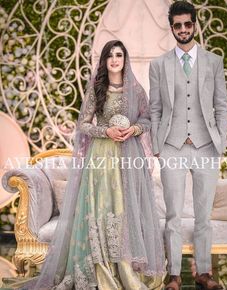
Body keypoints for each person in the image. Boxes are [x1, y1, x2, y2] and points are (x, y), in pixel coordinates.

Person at [20, 40, 165, 290]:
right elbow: (83, 125)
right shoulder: (96, 89)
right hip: (101, 157)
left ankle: (124, 270)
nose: (115, 60)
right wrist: (106, 130)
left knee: (124, 210)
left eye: (119, 55)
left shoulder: (135, 90)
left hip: (128, 156)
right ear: (104, 60)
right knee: (103, 208)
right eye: (110, 55)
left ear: (124, 59)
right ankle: (101, 269)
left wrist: (133, 128)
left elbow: (147, 118)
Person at [149, 2, 227, 290]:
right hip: (172, 146)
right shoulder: (159, 65)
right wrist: (158, 145)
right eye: (177, 25)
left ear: (195, 25)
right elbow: (155, 109)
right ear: (172, 28)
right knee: (173, 215)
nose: (183, 29)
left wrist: (220, 140)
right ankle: (173, 275)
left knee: (203, 214)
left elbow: (221, 105)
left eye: (187, 24)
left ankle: (203, 273)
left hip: (206, 146)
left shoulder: (213, 61)